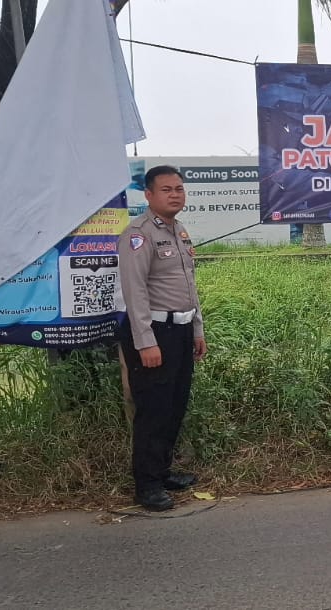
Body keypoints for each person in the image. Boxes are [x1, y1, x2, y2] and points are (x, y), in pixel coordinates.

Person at [117, 165, 207, 511]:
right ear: (149, 195)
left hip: (180, 331)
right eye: (166, 189)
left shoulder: (179, 230)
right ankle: (147, 486)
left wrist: (196, 329)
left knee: (174, 406)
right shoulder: (138, 234)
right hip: (154, 333)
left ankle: (162, 471)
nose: (175, 195)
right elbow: (135, 290)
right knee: (153, 411)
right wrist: (145, 342)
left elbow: (189, 285)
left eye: (179, 189)